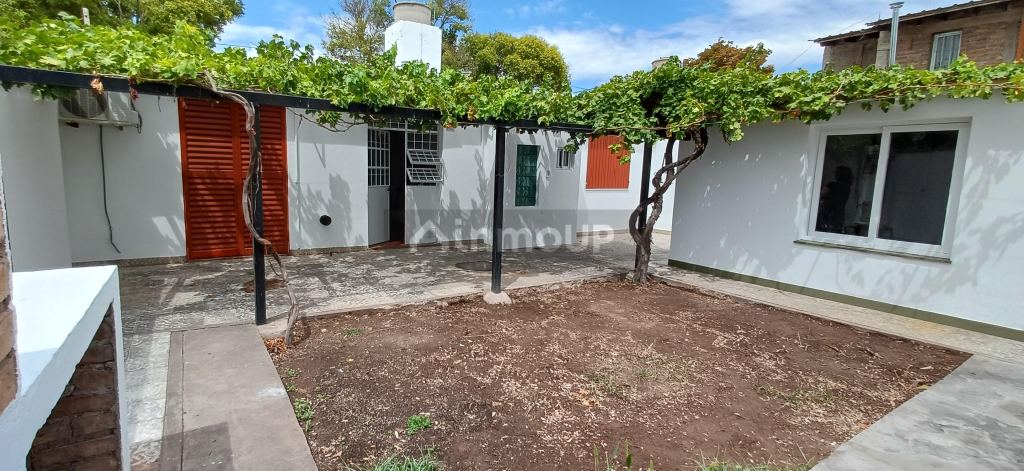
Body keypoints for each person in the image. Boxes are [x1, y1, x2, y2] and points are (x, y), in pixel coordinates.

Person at [816, 166, 853, 234]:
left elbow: (820, 195)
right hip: (838, 218)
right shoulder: (847, 188)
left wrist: (823, 201)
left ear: (838, 175)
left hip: (827, 215)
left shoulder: (831, 185)